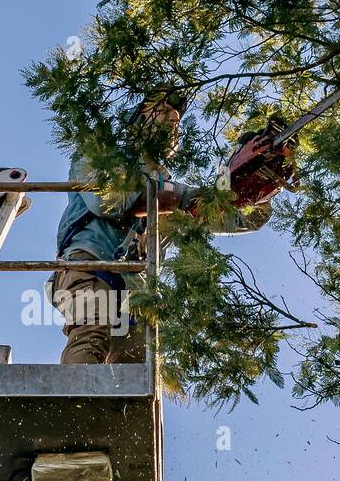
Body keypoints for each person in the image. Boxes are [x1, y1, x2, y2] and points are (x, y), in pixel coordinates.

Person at [53, 94, 292, 365]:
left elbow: (234, 216)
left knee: (133, 373)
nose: (171, 121)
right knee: (91, 335)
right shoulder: (100, 156)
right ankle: (75, 403)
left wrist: (254, 179)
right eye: (163, 111)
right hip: (90, 263)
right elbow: (108, 202)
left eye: (177, 120)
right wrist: (174, 201)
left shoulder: (170, 188)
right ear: (138, 119)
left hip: (136, 290)